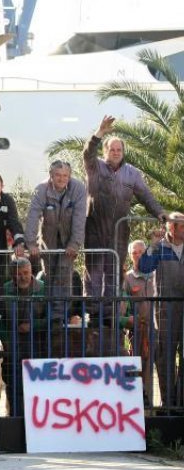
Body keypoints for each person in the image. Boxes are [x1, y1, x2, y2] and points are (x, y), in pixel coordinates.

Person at [82, 115, 165, 324]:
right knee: (94, 274)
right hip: (94, 230)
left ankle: (110, 316)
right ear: (105, 151)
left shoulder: (132, 174)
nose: (116, 153)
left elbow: (146, 195)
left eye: (119, 150)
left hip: (119, 232)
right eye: (112, 149)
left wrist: (160, 213)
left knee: (114, 274)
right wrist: (99, 132)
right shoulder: (95, 167)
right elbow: (87, 152)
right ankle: (93, 316)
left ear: (123, 152)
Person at [24, 160, 87, 324]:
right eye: (58, 175)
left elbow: (80, 219)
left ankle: (59, 319)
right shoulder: (41, 189)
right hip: (48, 239)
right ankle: (49, 317)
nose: (61, 179)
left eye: (65, 175)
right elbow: (33, 216)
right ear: (51, 175)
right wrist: (31, 243)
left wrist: (75, 243)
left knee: (65, 276)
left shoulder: (78, 189)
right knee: (50, 276)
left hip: (69, 240)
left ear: (70, 176)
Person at [139, 212, 184, 407]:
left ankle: (181, 402)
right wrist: (153, 245)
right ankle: (168, 404)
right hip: (165, 309)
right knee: (165, 356)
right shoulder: (160, 247)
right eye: (182, 226)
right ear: (172, 228)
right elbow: (144, 267)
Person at [0, 257, 46, 417]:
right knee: (13, 385)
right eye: (18, 274)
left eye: (26, 273)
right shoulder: (5, 289)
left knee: (36, 388)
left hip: (37, 346)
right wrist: (6, 339)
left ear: (31, 271)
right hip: (13, 348)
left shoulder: (42, 289)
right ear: (13, 275)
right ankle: (15, 419)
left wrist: (33, 326)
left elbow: (52, 320)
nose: (23, 277)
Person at [123, 239, 156, 403]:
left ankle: (169, 404)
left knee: (166, 365)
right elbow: (124, 307)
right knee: (140, 368)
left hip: (162, 328)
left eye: (140, 252)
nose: (137, 256)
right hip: (139, 331)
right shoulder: (127, 278)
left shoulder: (156, 274)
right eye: (133, 253)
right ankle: (143, 404)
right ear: (130, 256)